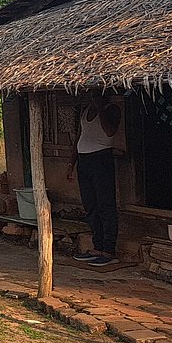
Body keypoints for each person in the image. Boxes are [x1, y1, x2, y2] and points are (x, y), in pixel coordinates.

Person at [66, 95, 121, 266]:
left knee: (105, 204)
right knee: (90, 205)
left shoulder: (112, 110)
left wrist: (100, 109)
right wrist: (71, 163)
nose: (92, 95)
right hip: (84, 161)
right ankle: (97, 246)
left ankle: (109, 249)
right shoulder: (84, 112)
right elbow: (79, 137)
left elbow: (110, 131)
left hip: (101, 158)